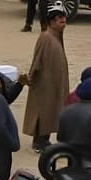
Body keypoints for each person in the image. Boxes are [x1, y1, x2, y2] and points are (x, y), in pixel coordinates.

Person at [21, 9, 70, 150]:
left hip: (53, 84)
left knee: (52, 111)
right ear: (51, 21)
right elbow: (37, 60)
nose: (63, 21)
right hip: (44, 84)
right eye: (59, 19)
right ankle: (39, 142)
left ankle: (44, 140)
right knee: (43, 112)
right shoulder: (46, 37)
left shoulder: (56, 36)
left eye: (64, 18)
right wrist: (31, 77)